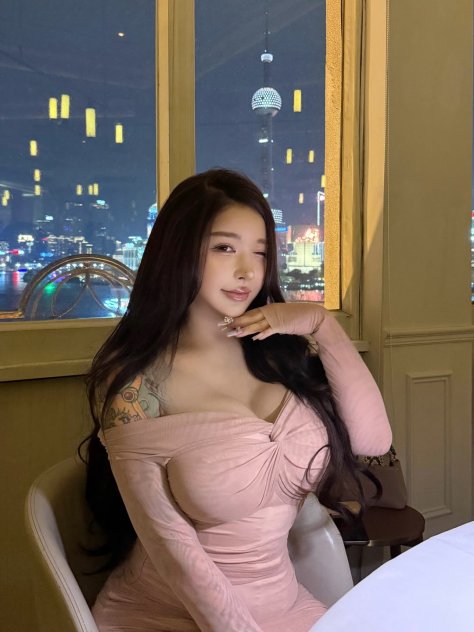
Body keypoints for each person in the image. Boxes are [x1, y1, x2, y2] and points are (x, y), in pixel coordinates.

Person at [83, 168, 392, 632]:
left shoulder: (282, 357)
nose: (247, 271)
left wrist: (322, 325)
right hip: (170, 614)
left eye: (260, 252)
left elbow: (373, 440)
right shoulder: (135, 385)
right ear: (178, 252)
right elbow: (172, 550)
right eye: (225, 248)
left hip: (284, 605)